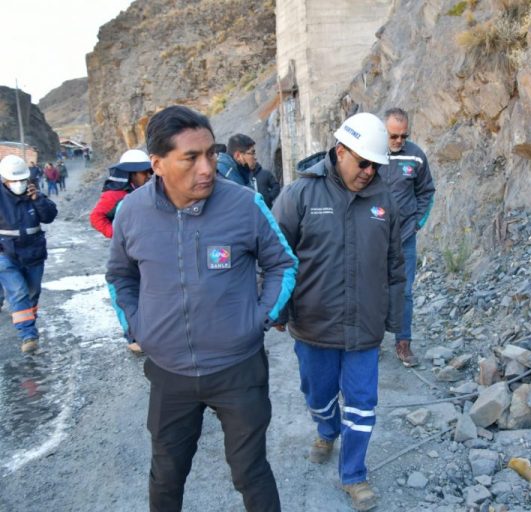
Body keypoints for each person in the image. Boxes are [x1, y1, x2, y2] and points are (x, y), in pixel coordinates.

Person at [106, 105, 296, 512]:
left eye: (210, 153)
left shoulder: (245, 204)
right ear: (157, 164)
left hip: (238, 369)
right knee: (166, 475)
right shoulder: (130, 213)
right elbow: (120, 276)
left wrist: (260, 318)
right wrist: (137, 327)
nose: (207, 168)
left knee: (251, 472)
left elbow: (282, 263)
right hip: (169, 374)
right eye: (190, 158)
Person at [272, 112, 405, 511]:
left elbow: (395, 264)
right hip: (314, 324)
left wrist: (395, 321)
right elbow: (276, 258)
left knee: (363, 402)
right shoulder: (300, 195)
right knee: (318, 394)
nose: (369, 172)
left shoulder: (384, 201)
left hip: (365, 326)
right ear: (341, 150)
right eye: (363, 163)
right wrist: (277, 310)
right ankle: (326, 429)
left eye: (376, 165)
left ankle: (354, 474)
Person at [377, 108, 435, 367]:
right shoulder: (371, 154)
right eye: (393, 136)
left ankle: (403, 342)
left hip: (404, 239)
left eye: (404, 136)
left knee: (405, 292)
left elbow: (427, 192)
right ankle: (373, 341)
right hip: (374, 239)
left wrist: (417, 224)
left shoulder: (417, 156)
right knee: (373, 288)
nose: (399, 140)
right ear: (383, 133)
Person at [90, 149, 154, 355]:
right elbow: (96, 217)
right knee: (123, 290)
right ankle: (132, 335)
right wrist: (117, 235)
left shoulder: (147, 191)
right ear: (131, 174)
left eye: (149, 172)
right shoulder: (114, 195)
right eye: (144, 172)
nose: (149, 176)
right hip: (124, 252)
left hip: (143, 249)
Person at [0, 155, 58, 353]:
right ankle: (28, 335)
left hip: (34, 253)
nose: (18, 184)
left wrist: (38, 200)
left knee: (33, 293)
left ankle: (28, 321)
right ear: (4, 179)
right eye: (13, 180)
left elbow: (50, 216)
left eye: (21, 180)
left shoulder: (34, 194)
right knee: (18, 292)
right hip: (6, 254)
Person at [216, 134, 281, 208]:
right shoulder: (224, 174)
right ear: (238, 156)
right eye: (252, 153)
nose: (254, 157)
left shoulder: (240, 171)